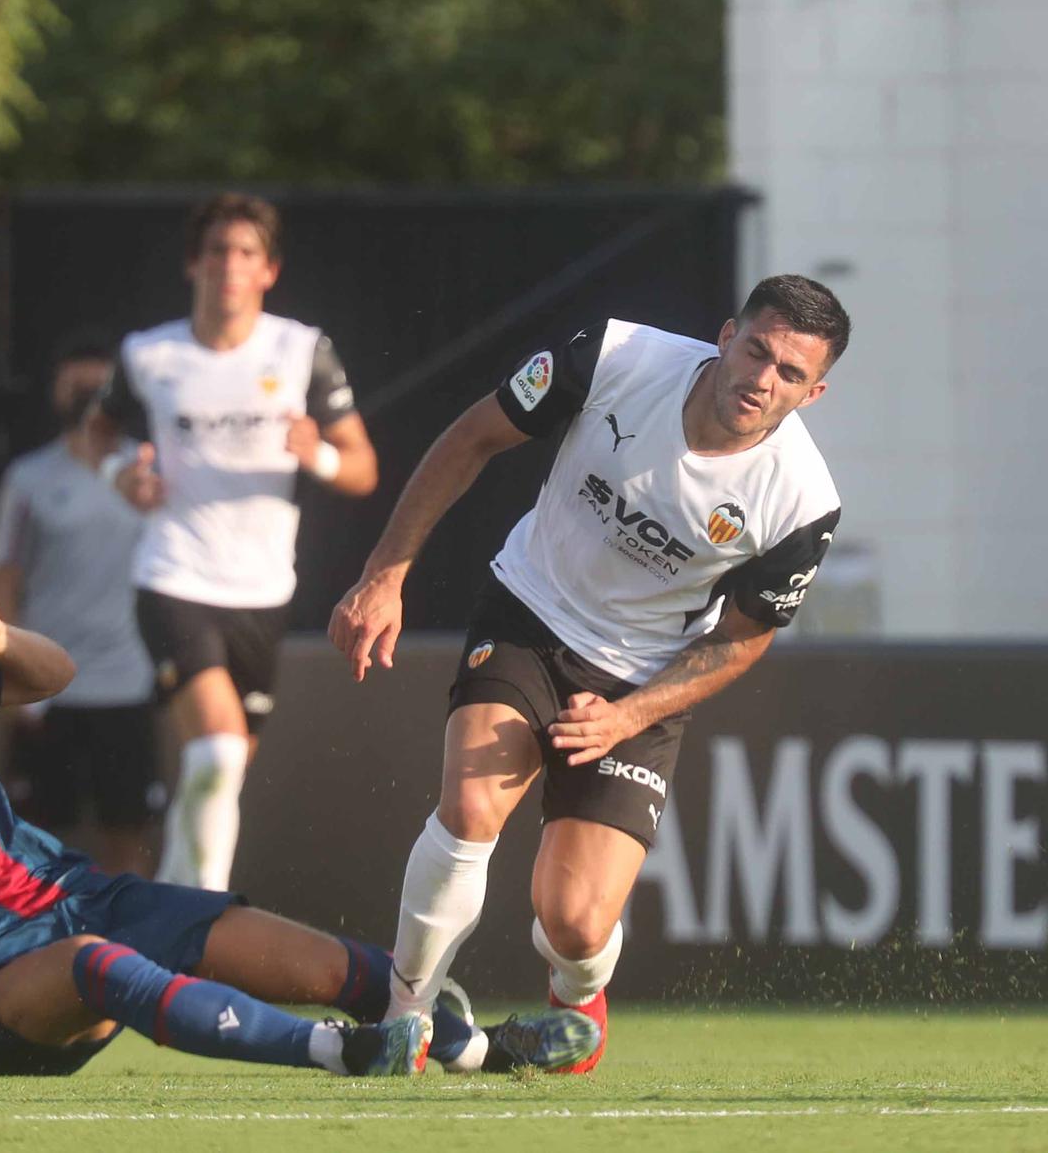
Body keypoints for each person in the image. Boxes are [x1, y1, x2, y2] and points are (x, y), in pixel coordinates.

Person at [0, 551, 598, 1080]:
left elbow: (51, 677)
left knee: (334, 963)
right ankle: (344, 1057)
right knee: (102, 966)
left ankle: (483, 1052)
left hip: (72, 896)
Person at [330, 276, 849, 1073]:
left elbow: (742, 639)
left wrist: (630, 716)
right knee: (470, 806)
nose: (761, 379)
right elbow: (472, 438)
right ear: (726, 334)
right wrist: (386, 573)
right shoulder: (616, 355)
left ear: (814, 393)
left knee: (572, 920)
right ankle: (406, 1015)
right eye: (756, 351)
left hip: (638, 681)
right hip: (530, 612)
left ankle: (577, 1001)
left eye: (788, 373)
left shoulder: (804, 500)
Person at [88, 192, 378, 891]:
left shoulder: (301, 349)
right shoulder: (149, 355)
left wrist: (319, 458)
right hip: (173, 578)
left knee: (220, 773)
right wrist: (120, 475)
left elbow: (363, 468)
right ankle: (207, 932)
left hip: (263, 591)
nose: (229, 266)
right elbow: (98, 433)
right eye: (217, 250)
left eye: (246, 252)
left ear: (269, 270)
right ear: (193, 263)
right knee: (216, 754)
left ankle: (168, 907)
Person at [0, 331, 159, 876]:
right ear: (55, 391)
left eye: (98, 382)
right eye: (74, 381)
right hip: (45, 689)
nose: (86, 392)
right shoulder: (27, 478)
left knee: (128, 836)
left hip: (130, 684)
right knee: (35, 840)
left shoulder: (150, 474)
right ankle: (43, 952)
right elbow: (2, 578)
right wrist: (11, 677)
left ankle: (134, 955)